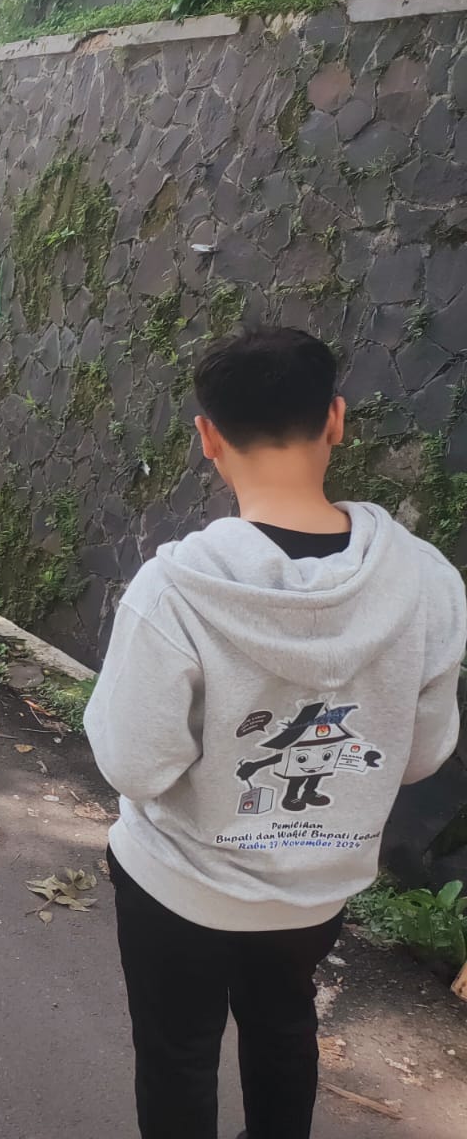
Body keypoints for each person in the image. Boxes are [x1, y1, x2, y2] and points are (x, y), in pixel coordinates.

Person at [84, 325, 466, 1139]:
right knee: (286, 1030)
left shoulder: (175, 591)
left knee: (180, 1056)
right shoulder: (428, 583)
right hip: (314, 887)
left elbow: (136, 762)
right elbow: (422, 752)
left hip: (177, 884)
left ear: (208, 437)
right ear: (336, 419)